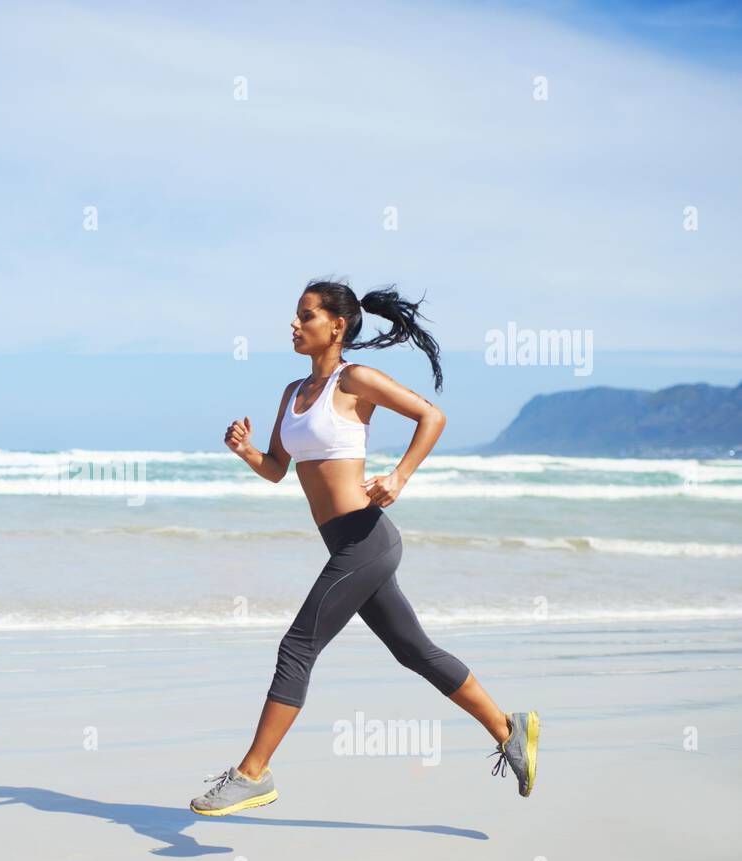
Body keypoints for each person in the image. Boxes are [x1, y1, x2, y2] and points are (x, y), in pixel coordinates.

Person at [191, 279, 538, 816]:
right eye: (296, 316)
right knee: (413, 651)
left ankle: (252, 774)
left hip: (367, 538)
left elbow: (432, 416)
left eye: (306, 317)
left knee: (297, 647)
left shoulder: (355, 380)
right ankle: (507, 728)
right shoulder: (292, 394)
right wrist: (247, 451)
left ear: (336, 326)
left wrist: (400, 476)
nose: (295, 325)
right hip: (345, 544)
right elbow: (279, 470)